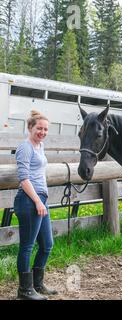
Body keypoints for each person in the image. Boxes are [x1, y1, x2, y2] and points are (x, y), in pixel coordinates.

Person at [14, 110, 57, 300]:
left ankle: (37, 285)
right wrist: (38, 201)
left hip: (40, 200)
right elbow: (24, 179)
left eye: (46, 129)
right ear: (30, 127)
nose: (42, 132)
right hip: (29, 200)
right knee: (27, 246)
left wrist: (43, 199)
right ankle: (24, 290)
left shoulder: (40, 146)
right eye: (39, 128)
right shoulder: (26, 147)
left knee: (47, 244)